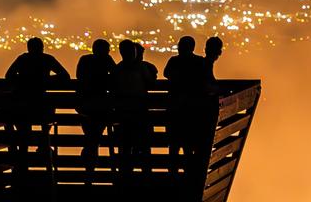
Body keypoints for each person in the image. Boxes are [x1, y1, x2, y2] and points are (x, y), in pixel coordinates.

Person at [4, 37, 71, 153]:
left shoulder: (22, 59)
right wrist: (47, 80)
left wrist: (23, 80)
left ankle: (23, 153)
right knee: (47, 115)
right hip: (41, 104)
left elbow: (8, 76)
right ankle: (44, 144)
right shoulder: (47, 59)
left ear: (28, 48)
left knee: (23, 128)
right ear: (42, 48)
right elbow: (65, 75)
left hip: (22, 103)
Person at [161, 36, 210, 168]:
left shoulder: (174, 61)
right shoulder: (199, 62)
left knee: (174, 146)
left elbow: (166, 74)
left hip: (175, 110)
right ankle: (189, 172)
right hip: (192, 112)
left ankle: (173, 172)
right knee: (188, 145)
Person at [113, 39, 157, 169]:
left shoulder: (117, 69)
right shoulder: (141, 68)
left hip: (122, 114)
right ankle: (145, 174)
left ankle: (126, 175)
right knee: (144, 145)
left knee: (125, 147)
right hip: (139, 113)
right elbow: (151, 82)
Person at [74, 38, 117, 162]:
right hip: (101, 105)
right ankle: (92, 154)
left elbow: (79, 76)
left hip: (84, 105)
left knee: (90, 134)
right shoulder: (106, 59)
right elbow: (115, 74)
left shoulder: (84, 59)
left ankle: (89, 156)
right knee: (96, 134)